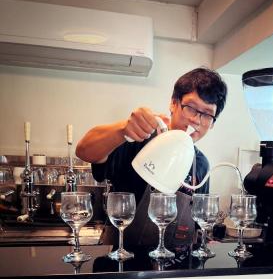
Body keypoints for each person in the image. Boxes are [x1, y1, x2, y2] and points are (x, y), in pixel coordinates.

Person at [76, 67, 228, 249]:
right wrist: (123, 129)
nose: (196, 120)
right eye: (191, 108)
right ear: (173, 103)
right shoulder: (138, 138)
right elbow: (84, 150)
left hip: (172, 269)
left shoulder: (201, 165)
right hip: (123, 260)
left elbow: (198, 223)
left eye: (207, 114)